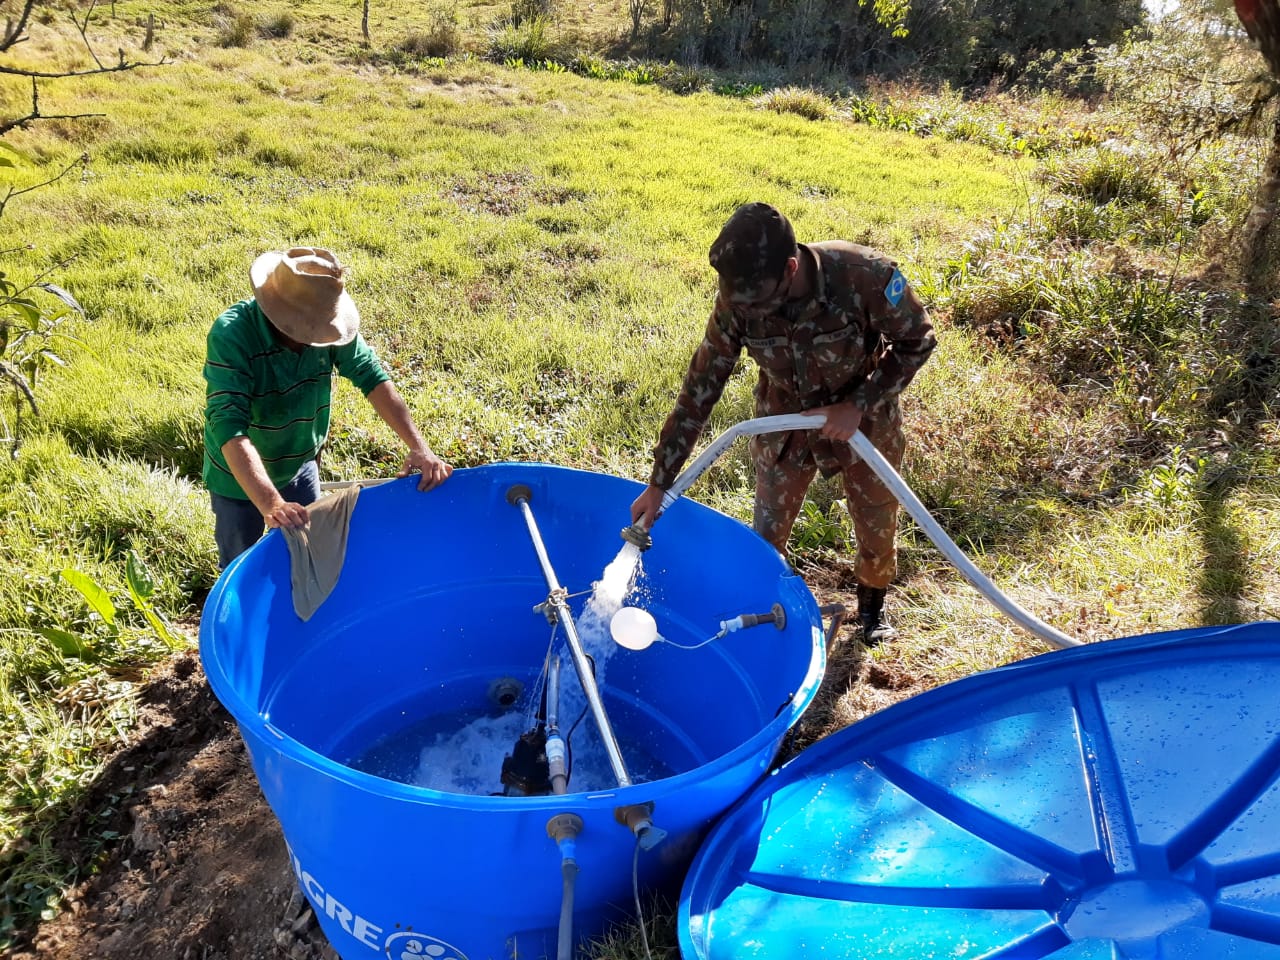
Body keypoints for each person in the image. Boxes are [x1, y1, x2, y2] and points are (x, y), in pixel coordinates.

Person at [630, 203, 936, 643]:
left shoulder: (863, 276)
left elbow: (917, 339)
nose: (750, 312)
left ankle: (871, 608)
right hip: (784, 423)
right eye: (740, 302)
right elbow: (701, 385)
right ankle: (765, 609)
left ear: (791, 268)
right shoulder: (740, 298)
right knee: (767, 531)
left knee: (876, 518)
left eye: (758, 302)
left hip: (865, 423)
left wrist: (859, 403)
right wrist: (660, 481)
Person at [203, 247, 452, 569]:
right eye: (304, 332)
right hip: (238, 479)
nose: (312, 340)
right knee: (241, 563)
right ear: (276, 312)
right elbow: (228, 424)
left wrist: (420, 447)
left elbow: (372, 377)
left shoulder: (328, 325)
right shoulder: (232, 334)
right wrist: (271, 503)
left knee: (309, 552)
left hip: (301, 460)